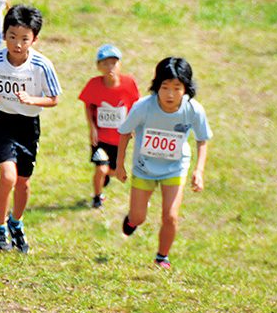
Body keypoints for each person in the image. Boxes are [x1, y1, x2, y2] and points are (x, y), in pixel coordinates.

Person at [0, 4, 61, 253]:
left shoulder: (42, 66)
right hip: (3, 121)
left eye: (24, 39)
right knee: (7, 177)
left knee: (22, 182)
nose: (17, 44)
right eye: (12, 37)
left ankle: (15, 223)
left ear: (35, 39)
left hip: (28, 126)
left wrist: (33, 100)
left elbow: (53, 98)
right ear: (4, 35)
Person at [116, 57, 212, 270]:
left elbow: (202, 138)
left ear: (186, 88)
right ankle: (133, 220)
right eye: (165, 87)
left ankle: (162, 257)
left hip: (175, 167)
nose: (170, 94)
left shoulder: (193, 110)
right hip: (144, 167)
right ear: (156, 86)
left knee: (170, 216)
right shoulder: (143, 107)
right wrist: (119, 164)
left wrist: (199, 170)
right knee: (138, 217)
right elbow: (124, 133)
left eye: (177, 88)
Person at [78, 44, 140, 209]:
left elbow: (135, 107)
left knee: (113, 170)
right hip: (101, 139)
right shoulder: (94, 85)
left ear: (120, 64)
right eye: (105, 63)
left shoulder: (129, 84)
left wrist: (133, 127)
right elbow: (88, 105)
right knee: (101, 168)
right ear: (98, 66)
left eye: (113, 63)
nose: (109, 67)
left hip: (120, 139)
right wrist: (92, 128)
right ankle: (98, 197)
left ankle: (107, 175)